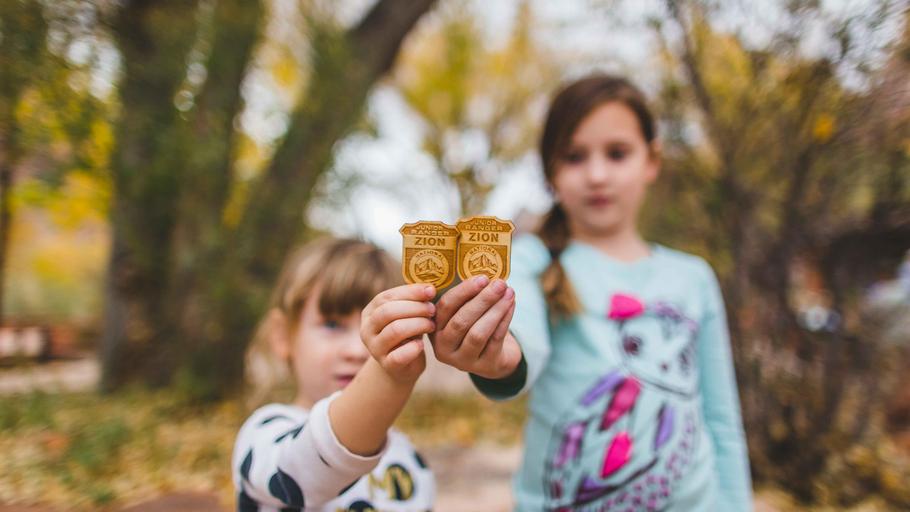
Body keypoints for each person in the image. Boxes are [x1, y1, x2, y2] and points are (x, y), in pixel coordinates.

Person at [430, 74, 753, 511]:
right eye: (575, 157)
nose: (597, 175)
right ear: (551, 173)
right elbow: (521, 344)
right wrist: (497, 356)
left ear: (651, 161)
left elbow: (720, 416)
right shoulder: (532, 260)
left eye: (617, 154)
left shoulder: (694, 278)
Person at [233, 238, 435, 511]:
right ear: (282, 336)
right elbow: (303, 478)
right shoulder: (264, 436)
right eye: (332, 324)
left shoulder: (408, 458)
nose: (357, 350)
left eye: (381, 326)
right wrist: (389, 375)